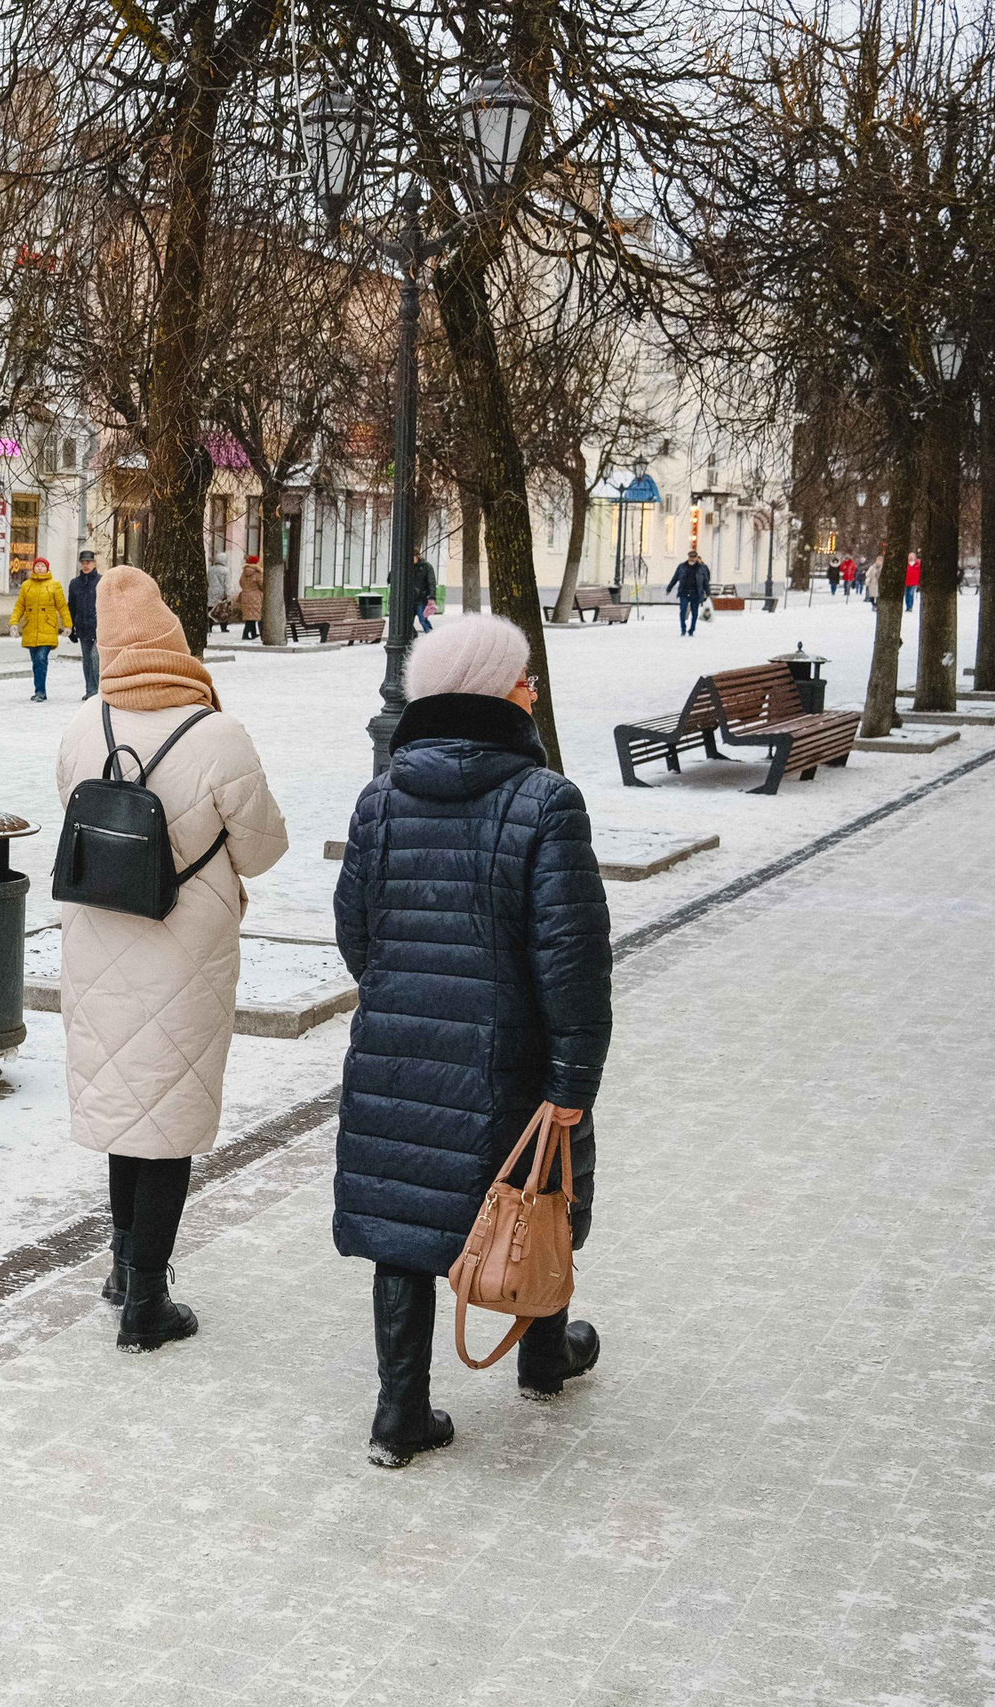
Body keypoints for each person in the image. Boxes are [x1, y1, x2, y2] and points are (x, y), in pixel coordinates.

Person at [332, 613, 611, 1467]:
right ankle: (541, 1353)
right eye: (523, 677)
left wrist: (403, 992)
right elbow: (571, 959)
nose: (532, 688)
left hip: (395, 1050)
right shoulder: (546, 801)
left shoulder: (381, 797)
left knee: (402, 1219)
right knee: (540, 1192)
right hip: (512, 1057)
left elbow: (355, 929)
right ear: (497, 692)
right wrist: (573, 1074)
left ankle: (398, 1414)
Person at [55, 567, 289, 1352]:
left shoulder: (86, 725)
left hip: (101, 937)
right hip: (185, 948)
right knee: (169, 1113)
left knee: (129, 1105)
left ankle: (124, 1267)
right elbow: (262, 850)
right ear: (173, 639)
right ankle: (146, 1301)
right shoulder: (216, 734)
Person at [10, 555, 70, 703]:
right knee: (35, 661)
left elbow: (62, 606)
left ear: (47, 568)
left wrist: (67, 625)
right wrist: (13, 623)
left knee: (41, 659)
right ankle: (38, 690)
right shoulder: (26, 585)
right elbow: (19, 606)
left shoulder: (54, 584)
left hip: (47, 627)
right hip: (31, 627)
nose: (40, 568)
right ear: (34, 568)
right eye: (37, 566)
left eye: (43, 566)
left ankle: (41, 692)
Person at [67, 550, 103, 699]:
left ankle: (96, 690)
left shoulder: (102, 581)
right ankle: (90, 690)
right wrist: (71, 628)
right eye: (83, 563)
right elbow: (71, 607)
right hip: (82, 626)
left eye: (88, 562)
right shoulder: (75, 583)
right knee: (87, 659)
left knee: (96, 657)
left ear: (94, 563)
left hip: (99, 626)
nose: (85, 565)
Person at [669, 550, 712, 636]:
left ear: (696, 557)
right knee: (683, 611)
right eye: (690, 557)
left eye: (693, 557)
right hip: (684, 592)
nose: (692, 559)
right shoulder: (682, 567)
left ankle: (692, 629)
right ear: (688, 557)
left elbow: (706, 581)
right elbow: (675, 577)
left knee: (695, 612)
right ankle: (683, 628)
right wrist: (670, 587)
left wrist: (707, 591)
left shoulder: (702, 568)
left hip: (695, 593)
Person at [236, 555, 264, 643]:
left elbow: (240, 582)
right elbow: (262, 584)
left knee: (250, 615)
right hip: (255, 596)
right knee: (253, 616)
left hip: (245, 595)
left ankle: (253, 633)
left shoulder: (244, 572)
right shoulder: (257, 572)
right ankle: (245, 634)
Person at [410, 557, 439, 633]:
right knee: (407, 622)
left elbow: (431, 583)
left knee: (423, 620)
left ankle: (430, 635)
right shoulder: (407, 566)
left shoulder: (426, 567)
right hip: (410, 598)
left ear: (417, 556)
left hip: (421, 598)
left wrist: (431, 596)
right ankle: (413, 636)